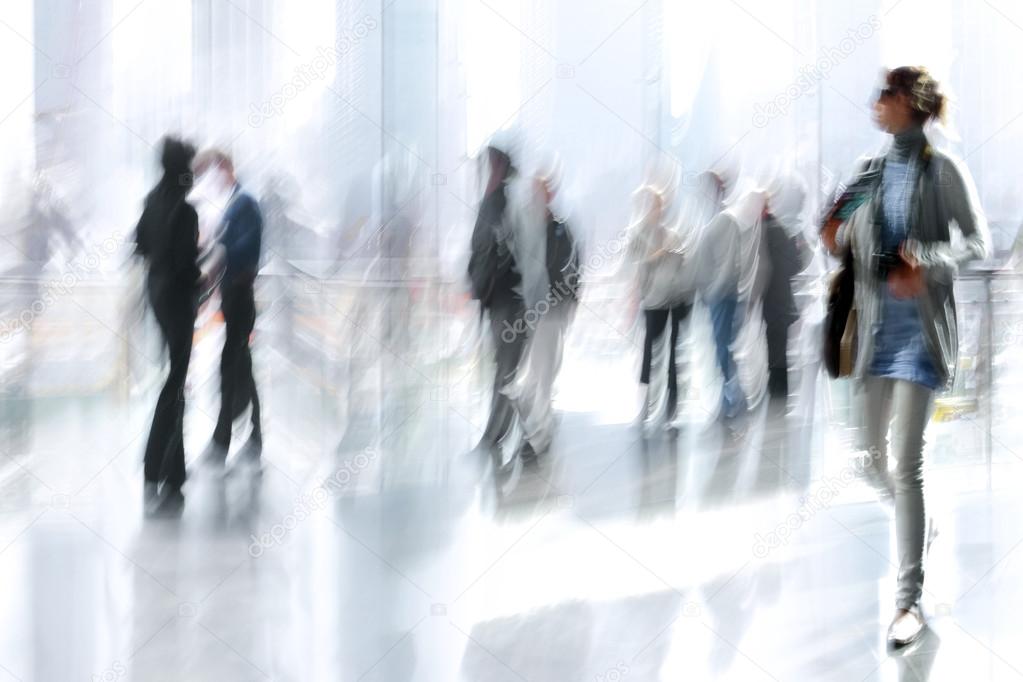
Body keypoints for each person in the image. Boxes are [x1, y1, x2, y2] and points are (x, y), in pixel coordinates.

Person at [821, 66, 988, 647]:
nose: (875, 103)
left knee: (907, 466)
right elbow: (835, 230)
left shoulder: (943, 171)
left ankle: (908, 601)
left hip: (919, 338)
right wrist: (834, 230)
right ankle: (919, 524)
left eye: (885, 95)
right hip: (871, 337)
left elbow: (977, 242)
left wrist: (929, 261)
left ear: (908, 103)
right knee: (869, 460)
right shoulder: (869, 172)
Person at [134, 137, 201, 514]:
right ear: (182, 169)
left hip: (156, 296)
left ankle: (172, 470)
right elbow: (185, 264)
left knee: (174, 381)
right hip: (178, 301)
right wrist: (203, 277)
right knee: (176, 382)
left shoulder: (151, 202)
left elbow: (140, 247)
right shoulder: (185, 211)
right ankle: (156, 465)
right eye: (190, 166)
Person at [505, 165, 580, 459]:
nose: (539, 194)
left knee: (545, 372)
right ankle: (536, 430)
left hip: (552, 309)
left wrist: (569, 302)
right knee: (535, 375)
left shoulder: (560, 228)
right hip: (530, 309)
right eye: (536, 188)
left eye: (544, 188)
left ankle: (539, 435)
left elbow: (573, 268)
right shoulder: (524, 224)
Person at [195, 148, 264, 466]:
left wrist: (218, 251)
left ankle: (224, 441)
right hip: (233, 299)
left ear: (226, 168)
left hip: (240, 299)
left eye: (214, 171)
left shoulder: (244, 204)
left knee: (233, 366)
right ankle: (251, 436)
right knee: (241, 367)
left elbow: (245, 251)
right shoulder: (235, 205)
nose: (212, 180)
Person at [468, 135, 526, 457]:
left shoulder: (506, 203)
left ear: (499, 167)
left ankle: (496, 436)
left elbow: (501, 251)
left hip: (508, 299)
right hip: (496, 299)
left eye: (488, 163)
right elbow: (480, 250)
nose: (483, 169)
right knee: (505, 368)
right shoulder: (491, 201)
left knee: (506, 369)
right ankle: (517, 434)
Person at [762, 176, 810, 402]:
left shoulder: (766, 228)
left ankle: (776, 388)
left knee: (774, 344)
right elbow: (794, 265)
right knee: (777, 345)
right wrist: (800, 249)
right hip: (776, 298)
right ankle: (778, 390)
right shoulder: (780, 229)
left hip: (768, 298)